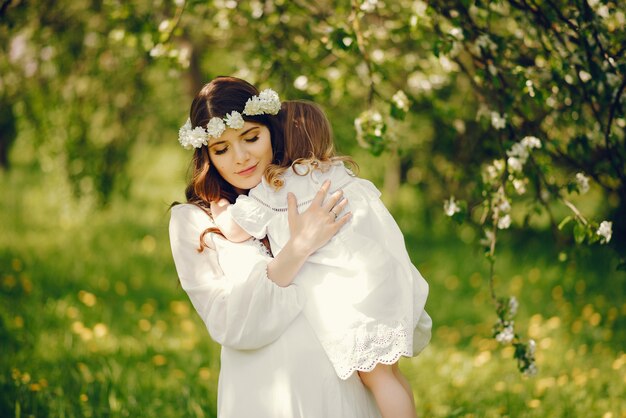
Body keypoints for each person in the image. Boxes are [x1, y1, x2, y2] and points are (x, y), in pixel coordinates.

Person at [169, 76, 381, 417]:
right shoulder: (195, 222)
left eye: (251, 138)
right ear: (206, 156)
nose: (240, 158)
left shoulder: (311, 190)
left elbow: (368, 270)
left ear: (272, 130)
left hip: (336, 388)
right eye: (221, 149)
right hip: (261, 396)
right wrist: (298, 248)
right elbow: (230, 324)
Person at [209, 100, 432, 418]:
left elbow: (236, 230)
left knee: (378, 379)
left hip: (349, 300)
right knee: (390, 375)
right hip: (380, 283)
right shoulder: (339, 175)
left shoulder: (277, 187)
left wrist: (220, 212)